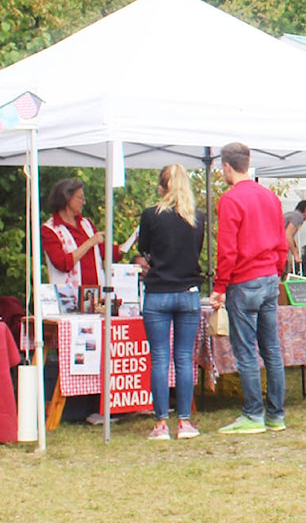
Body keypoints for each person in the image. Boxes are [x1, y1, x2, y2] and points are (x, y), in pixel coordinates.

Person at [210, 143, 287, 435]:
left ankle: (254, 414)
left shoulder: (230, 200)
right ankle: (276, 415)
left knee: (246, 351)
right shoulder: (268, 196)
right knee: (272, 349)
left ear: (226, 166)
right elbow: (281, 241)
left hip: (244, 280)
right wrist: (276, 271)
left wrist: (220, 286)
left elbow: (227, 249)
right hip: (269, 277)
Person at [138, 164, 205, 441]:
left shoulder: (151, 215)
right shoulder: (197, 217)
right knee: (184, 358)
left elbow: (145, 249)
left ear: (161, 188)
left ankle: (161, 423)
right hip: (189, 291)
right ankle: (185, 422)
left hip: (158, 292)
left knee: (160, 358)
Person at [41, 178, 125, 307]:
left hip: (96, 300)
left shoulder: (86, 224)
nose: (84, 202)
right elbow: (63, 263)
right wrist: (90, 243)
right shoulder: (50, 229)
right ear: (67, 199)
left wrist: (124, 247)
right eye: (80, 198)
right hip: (68, 301)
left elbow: (103, 252)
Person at [283, 200, 306, 274]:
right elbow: (287, 235)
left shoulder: (290, 215)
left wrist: (294, 246)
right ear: (305, 209)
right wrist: (296, 255)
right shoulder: (298, 216)